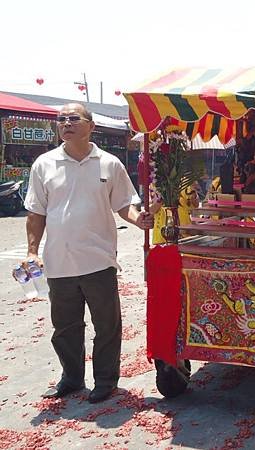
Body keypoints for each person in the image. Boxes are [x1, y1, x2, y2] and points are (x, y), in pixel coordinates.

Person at [24, 103, 154, 404]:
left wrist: (138, 219)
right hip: (59, 262)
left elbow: (124, 205)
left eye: (73, 119)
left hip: (99, 260)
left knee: (107, 325)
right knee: (65, 327)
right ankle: (71, 378)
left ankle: (106, 381)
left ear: (90, 126)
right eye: (61, 119)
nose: (66, 124)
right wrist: (33, 251)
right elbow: (35, 213)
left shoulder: (109, 164)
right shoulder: (44, 164)